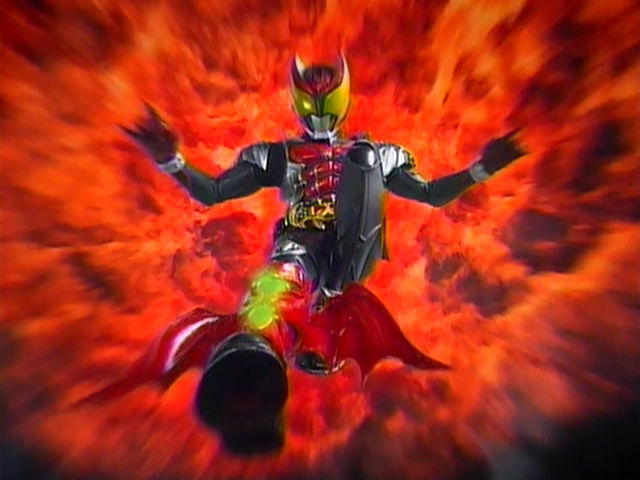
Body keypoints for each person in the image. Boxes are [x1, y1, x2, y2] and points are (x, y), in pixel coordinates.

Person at [121, 55, 525, 453]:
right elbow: (214, 191)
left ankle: (320, 317)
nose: (317, 102)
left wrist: (481, 170)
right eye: (309, 92)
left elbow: (430, 194)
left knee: (364, 159)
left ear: (341, 94)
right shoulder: (278, 156)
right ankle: (259, 356)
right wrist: (170, 160)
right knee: (273, 288)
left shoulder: (377, 154)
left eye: (325, 90)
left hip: (353, 245)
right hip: (299, 244)